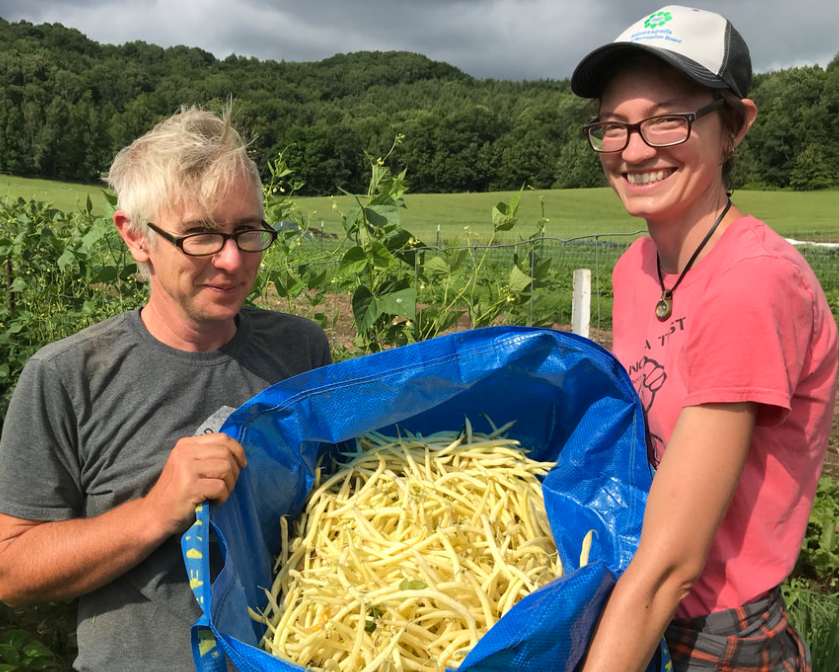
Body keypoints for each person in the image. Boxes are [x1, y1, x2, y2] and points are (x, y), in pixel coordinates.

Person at [0, 105, 332, 671]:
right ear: (136, 238)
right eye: (200, 234)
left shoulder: (300, 351)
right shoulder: (67, 376)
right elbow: (11, 570)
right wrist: (157, 510)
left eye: (247, 231)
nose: (231, 259)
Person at [570, 6, 837, 672]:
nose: (633, 148)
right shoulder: (635, 266)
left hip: (713, 632)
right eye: (612, 125)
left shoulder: (751, 284)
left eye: (668, 118)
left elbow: (674, 567)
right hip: (634, 595)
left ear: (733, 126)